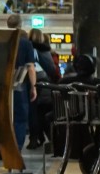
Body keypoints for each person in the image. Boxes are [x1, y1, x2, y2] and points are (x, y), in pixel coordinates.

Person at [5, 14, 37, 152]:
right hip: (18, 83)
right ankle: (16, 147)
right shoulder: (25, 43)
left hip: (2, 83)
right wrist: (33, 87)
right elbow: (30, 67)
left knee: (4, 115)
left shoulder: (1, 40)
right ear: (20, 24)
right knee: (20, 116)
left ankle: (3, 148)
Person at [28, 29, 60, 150]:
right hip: (47, 86)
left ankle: (35, 138)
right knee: (42, 113)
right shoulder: (47, 51)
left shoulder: (31, 50)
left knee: (33, 113)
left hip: (35, 84)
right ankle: (45, 138)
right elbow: (52, 70)